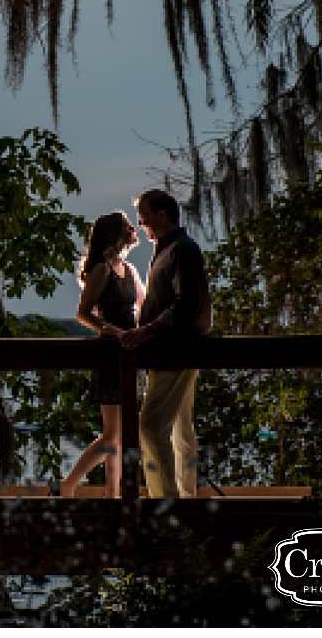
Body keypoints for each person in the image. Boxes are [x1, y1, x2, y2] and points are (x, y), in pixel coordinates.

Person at [120, 188, 212, 499]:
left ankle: (165, 501)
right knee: (180, 428)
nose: (140, 222)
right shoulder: (168, 248)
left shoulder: (181, 250)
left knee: (150, 426)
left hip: (175, 350)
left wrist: (146, 330)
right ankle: (185, 497)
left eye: (143, 215)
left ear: (162, 215)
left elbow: (185, 304)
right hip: (172, 350)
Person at [58, 211, 144, 498]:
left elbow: (143, 309)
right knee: (111, 435)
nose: (135, 229)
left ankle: (113, 493)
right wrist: (114, 332)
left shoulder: (130, 270)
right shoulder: (102, 270)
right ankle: (69, 485)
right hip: (109, 355)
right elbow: (83, 314)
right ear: (115, 235)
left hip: (132, 354)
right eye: (128, 226)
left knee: (121, 434)